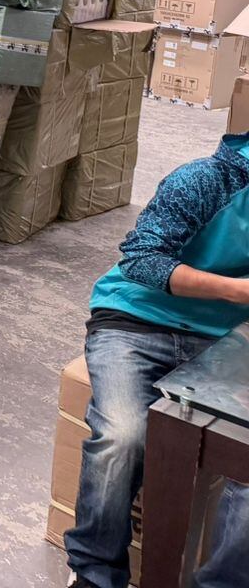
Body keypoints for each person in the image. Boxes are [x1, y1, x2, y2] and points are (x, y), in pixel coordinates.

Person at [65, 133, 249, 588]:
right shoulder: (207, 179)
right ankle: (94, 572)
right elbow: (142, 259)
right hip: (137, 320)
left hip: (224, 339)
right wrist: (239, 292)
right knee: (123, 436)